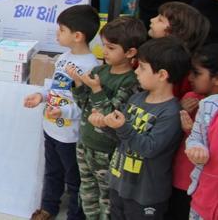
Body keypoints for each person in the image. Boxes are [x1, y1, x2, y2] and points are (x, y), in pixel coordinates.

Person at [88, 37, 190, 220]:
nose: (136, 72)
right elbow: (122, 137)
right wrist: (105, 125)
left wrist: (122, 127)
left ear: (162, 74)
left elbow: (149, 148)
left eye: (142, 67)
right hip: (119, 182)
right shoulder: (137, 98)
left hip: (145, 194)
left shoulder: (171, 112)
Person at [23, 5, 100, 220]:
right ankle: (49, 208)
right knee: (52, 171)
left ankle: (75, 215)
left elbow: (86, 104)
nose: (57, 33)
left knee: (74, 179)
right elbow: (55, 86)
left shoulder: (91, 67)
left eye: (61, 30)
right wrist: (42, 96)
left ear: (77, 36)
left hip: (71, 136)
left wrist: (64, 111)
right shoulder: (63, 57)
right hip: (51, 128)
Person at [69, 17, 148, 220]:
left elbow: (110, 115)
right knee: (87, 194)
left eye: (111, 47)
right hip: (84, 143)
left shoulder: (131, 81)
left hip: (107, 150)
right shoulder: (99, 70)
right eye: (104, 45)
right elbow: (83, 105)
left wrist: (96, 89)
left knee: (107, 199)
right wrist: (78, 84)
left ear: (130, 53)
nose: (104, 51)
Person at [168, 45, 217, 219]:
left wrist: (192, 132)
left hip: (200, 187)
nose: (189, 78)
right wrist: (177, 113)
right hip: (174, 177)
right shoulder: (190, 98)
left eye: (196, 73)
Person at [184, 46, 218, 220]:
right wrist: (196, 147)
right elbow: (196, 139)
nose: (190, 78)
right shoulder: (209, 106)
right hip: (204, 199)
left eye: (196, 73)